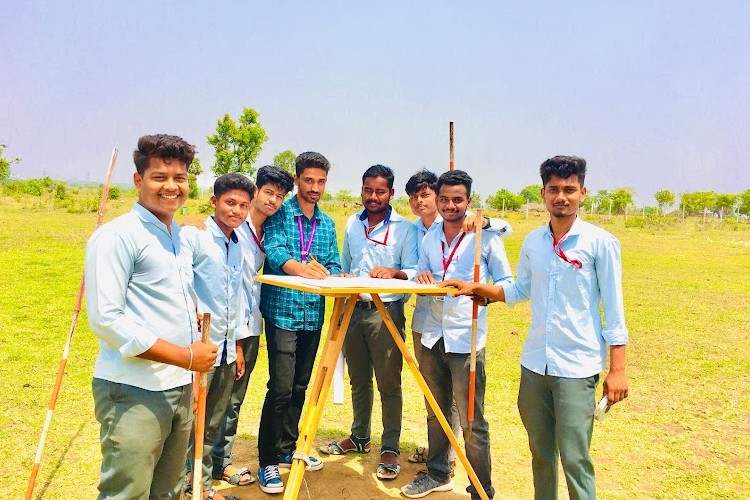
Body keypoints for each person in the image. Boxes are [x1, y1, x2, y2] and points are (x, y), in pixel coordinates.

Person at [443, 156, 629, 499]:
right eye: (554, 189)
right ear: (543, 193)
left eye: (569, 189)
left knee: (575, 459)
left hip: (577, 366)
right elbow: (519, 289)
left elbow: (615, 313)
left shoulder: (600, 243)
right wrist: (480, 290)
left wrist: (617, 370)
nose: (562, 197)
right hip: (535, 365)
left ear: (583, 193)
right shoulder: (534, 242)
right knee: (541, 455)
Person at [85, 134, 218, 499]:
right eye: (160, 176)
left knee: (169, 490)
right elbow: (107, 320)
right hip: (133, 389)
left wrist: (187, 372)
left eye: (180, 177)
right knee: (127, 492)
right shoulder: (117, 236)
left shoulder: (175, 235)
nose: (171, 186)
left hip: (178, 386)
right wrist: (186, 357)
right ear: (138, 180)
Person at [401, 170, 513, 499]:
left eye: (458, 199)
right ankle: (437, 473)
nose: (450, 205)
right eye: (445, 199)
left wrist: (482, 291)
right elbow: (422, 274)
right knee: (436, 410)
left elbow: (507, 285)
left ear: (469, 201)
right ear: (436, 199)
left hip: (466, 338)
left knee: (471, 420)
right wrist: (421, 279)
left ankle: (482, 489)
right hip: (431, 334)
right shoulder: (429, 237)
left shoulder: (485, 237)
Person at [318, 165, 418, 481]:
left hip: (384, 313)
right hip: (353, 310)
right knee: (359, 379)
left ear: (391, 193)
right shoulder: (351, 223)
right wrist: (341, 277)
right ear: (362, 190)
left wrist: (395, 273)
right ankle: (359, 436)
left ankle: (389, 446)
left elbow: (415, 270)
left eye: (380, 191)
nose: (373, 197)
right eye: (368, 190)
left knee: (389, 382)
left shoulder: (406, 228)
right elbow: (345, 264)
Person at [256, 152, 341, 494]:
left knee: (301, 386)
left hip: (312, 315)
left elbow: (334, 263)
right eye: (309, 180)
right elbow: (273, 251)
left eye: (321, 181)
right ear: (297, 179)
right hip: (282, 313)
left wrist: (329, 273)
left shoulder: (329, 224)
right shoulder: (281, 214)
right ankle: (266, 462)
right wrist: (300, 269)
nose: (315, 188)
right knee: (280, 387)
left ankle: (288, 449)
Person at [211, 165, 294, 487]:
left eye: (279, 195)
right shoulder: (233, 226)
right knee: (219, 398)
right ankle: (208, 463)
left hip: (251, 323)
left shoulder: (269, 229)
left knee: (235, 397)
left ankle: (220, 460)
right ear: (256, 191)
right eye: (268, 192)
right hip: (225, 326)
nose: (273, 200)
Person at [181, 173, 256, 500]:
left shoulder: (238, 244)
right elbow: (181, 282)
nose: (236, 210)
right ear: (214, 202)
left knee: (212, 422)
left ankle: (201, 485)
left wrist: (238, 347)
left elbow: (236, 301)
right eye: (230, 203)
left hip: (226, 349)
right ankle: (188, 483)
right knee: (189, 421)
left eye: (243, 205)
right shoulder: (195, 236)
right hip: (198, 348)